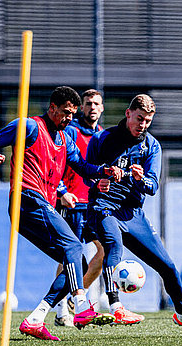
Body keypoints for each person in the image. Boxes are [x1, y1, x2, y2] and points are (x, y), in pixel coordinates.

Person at [0, 86, 122, 341]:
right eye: (65, 112)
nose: (69, 118)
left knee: (75, 265)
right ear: (52, 107)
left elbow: (82, 167)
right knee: (74, 249)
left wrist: (105, 171)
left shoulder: (65, 139)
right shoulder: (30, 126)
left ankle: (36, 318)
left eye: (72, 114)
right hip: (26, 198)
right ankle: (80, 307)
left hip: (41, 203)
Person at [85, 94, 182, 338]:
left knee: (169, 268)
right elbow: (86, 171)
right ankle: (116, 306)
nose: (142, 124)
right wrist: (97, 181)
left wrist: (141, 179)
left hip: (133, 214)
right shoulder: (103, 138)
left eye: (148, 121)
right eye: (139, 118)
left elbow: (153, 186)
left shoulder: (151, 146)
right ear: (128, 113)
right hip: (103, 207)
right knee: (113, 247)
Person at [53, 89, 106, 327]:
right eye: (88, 103)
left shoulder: (104, 136)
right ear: (81, 107)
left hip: (94, 205)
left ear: (102, 108)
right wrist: (62, 191)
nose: (92, 107)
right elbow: (55, 164)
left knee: (105, 251)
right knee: (68, 255)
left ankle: (78, 294)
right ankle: (62, 310)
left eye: (96, 103)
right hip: (72, 202)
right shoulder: (70, 131)